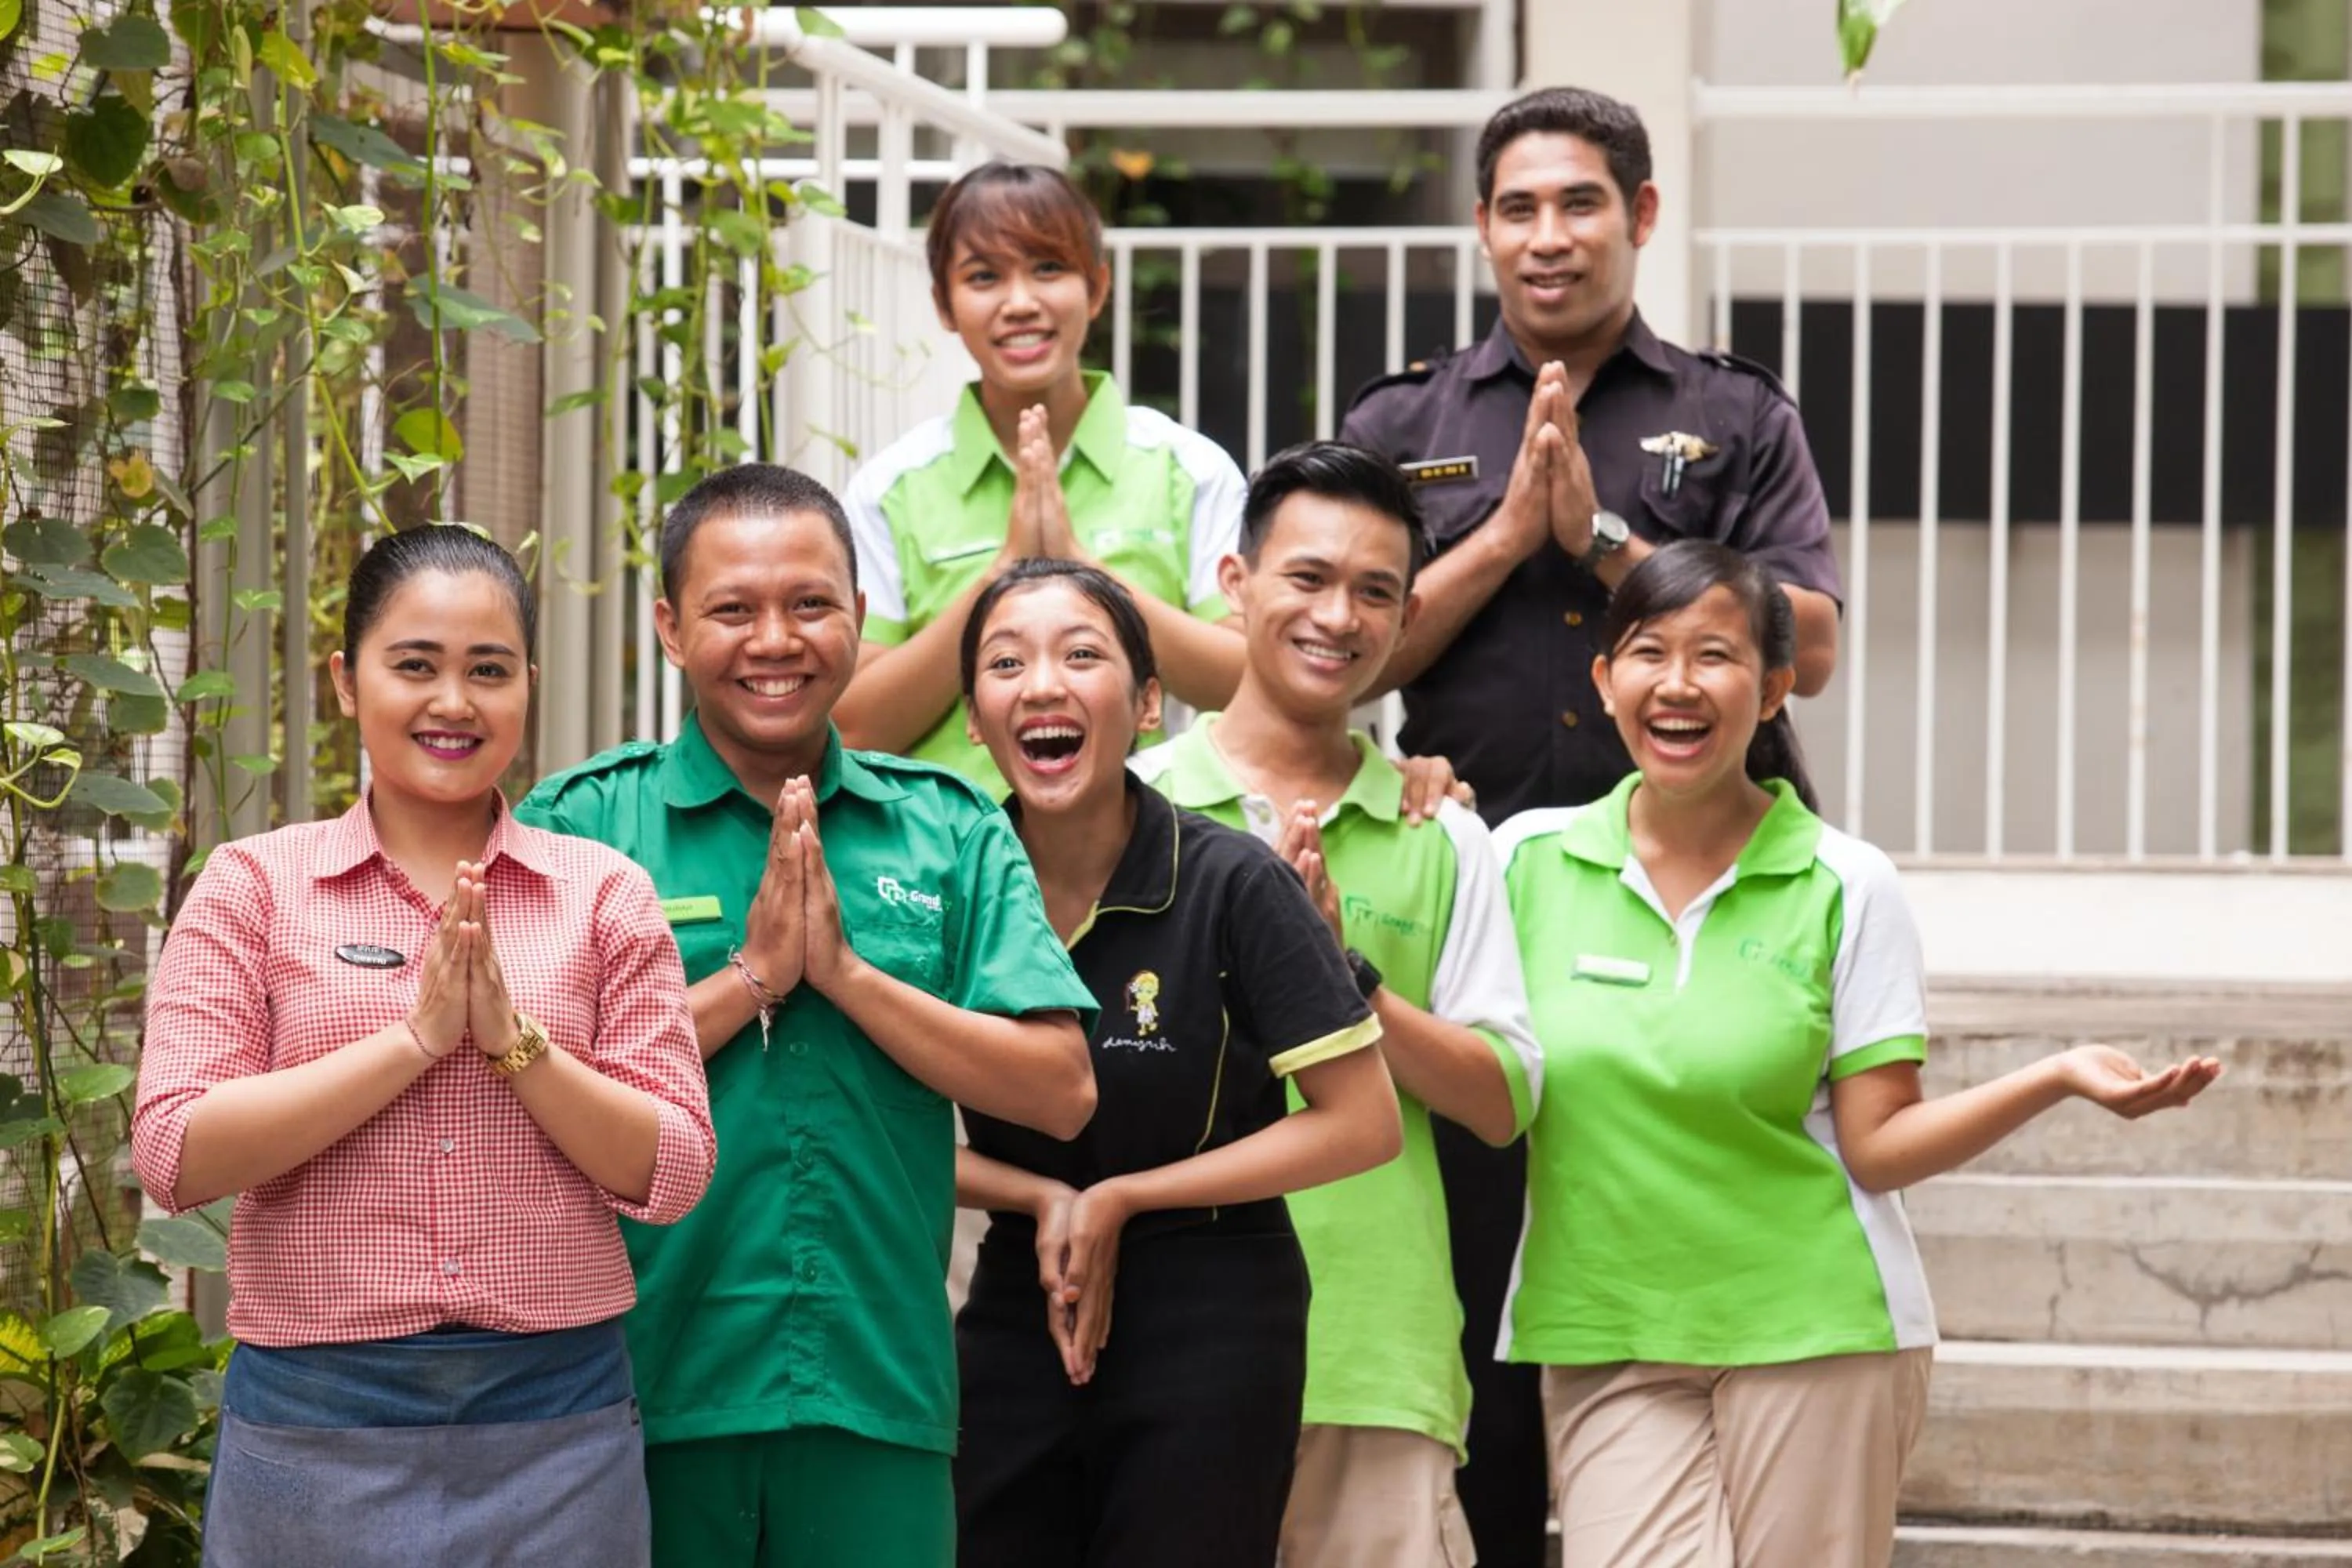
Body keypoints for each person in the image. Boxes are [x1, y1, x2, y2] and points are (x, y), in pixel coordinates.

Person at [1336, 86, 1850, 1562]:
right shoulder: (1405, 420)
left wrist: (1608, 544)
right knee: (1486, 1272)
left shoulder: (1733, 411)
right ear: (1483, 223)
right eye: (1517, 206)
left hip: (1708, 898)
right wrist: (1507, 533)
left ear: (1640, 214)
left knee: (1711, 1231)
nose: (1547, 237)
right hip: (1485, 901)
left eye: (1579, 203)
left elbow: (1805, 645)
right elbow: (1347, 647)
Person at [1493, 541, 2220, 1568]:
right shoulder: (1520, 857)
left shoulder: (1847, 883)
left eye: (1717, 655)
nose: (1681, 684)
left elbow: (1878, 1146)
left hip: (1816, 1324)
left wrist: (2053, 1077)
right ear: (1606, 681)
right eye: (1650, 652)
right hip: (1604, 1324)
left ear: (1776, 687)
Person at [515, 464, 1099, 1568]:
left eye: (810, 605)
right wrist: (754, 977)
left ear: (860, 619)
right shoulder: (588, 825)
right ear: (672, 629)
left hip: (875, 1390)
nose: (774, 639)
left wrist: (845, 976)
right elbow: (534, 1084)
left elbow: (1061, 1092)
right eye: (733, 609)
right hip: (636, 1390)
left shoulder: (949, 828)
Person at [132, 526, 716, 1568]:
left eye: (488, 671)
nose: (454, 702)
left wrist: (514, 1043)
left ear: (527, 688)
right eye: (415, 665)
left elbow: (670, 1171)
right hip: (313, 1420)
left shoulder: (603, 894)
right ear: (346, 681)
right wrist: (412, 1041)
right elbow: (177, 1154)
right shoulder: (252, 886)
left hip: (557, 1418)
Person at [1127, 441, 1543, 1567]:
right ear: (1235, 582)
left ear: (1407, 619)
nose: (1337, 617)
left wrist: (1342, 975)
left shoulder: (1443, 833)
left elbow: (1502, 1103)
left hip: (1376, 1359)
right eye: (1306, 578)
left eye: (1375, 592)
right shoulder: (1130, 813)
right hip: (1158, 1348)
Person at [950, 557, 1403, 1568]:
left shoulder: (1233, 879)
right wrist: (1039, 1197)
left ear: (1149, 705)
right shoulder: (951, 887)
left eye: (1082, 655)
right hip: (1024, 1293)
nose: (1043, 686)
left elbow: (1361, 1119)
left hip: (1217, 1301)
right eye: (1005, 662)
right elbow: (869, 1118)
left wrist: (1119, 1198)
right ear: (976, 718)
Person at [836, 159, 1247, 799]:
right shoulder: (891, 488)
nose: (1020, 303)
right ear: (944, 304)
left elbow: (1249, 684)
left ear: (1098, 287)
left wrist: (1082, 568)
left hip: (1158, 857)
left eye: (1048, 269)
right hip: (951, 863)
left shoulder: (1187, 467)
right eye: (984, 277)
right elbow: (855, 724)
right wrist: (1002, 571)